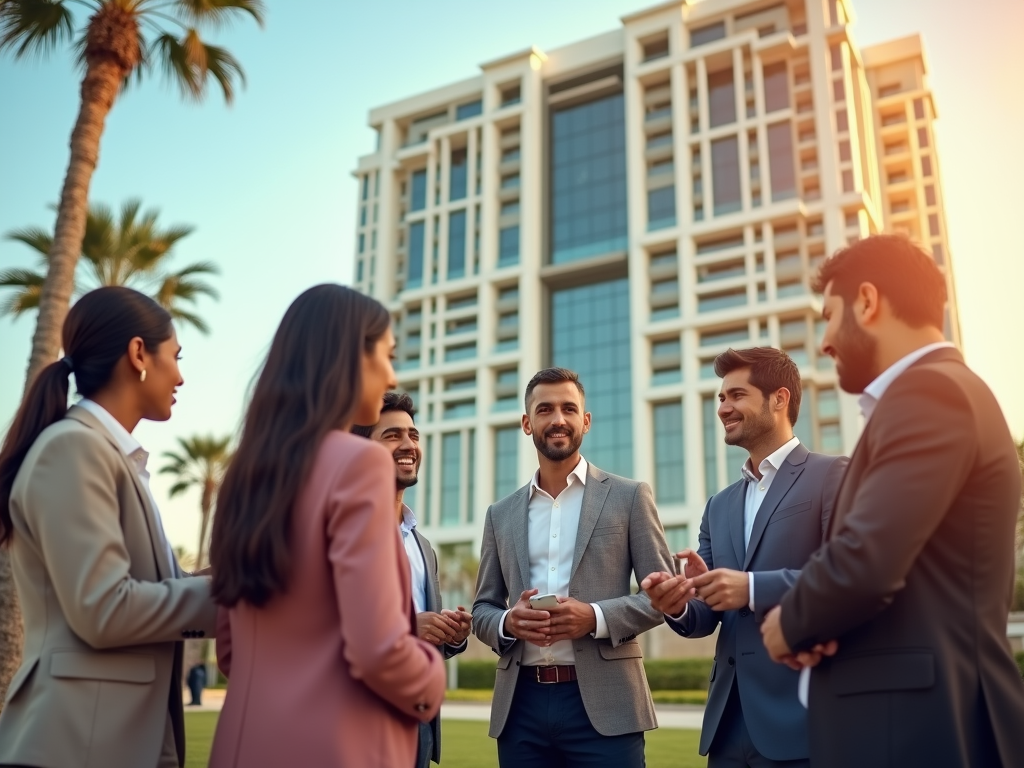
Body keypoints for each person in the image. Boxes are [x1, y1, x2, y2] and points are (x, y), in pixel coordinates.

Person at [760, 235, 1024, 766]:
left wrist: (790, 622)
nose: (824, 341)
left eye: (829, 316)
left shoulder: (931, 392)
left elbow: (867, 556)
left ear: (866, 301)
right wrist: (824, 623)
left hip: (918, 728)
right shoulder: (933, 393)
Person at [207, 284, 446, 768]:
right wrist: (430, 682)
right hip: (338, 747)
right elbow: (380, 650)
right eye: (388, 355)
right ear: (348, 358)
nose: (391, 374)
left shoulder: (243, 476)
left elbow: (230, 652)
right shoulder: (359, 466)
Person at [0, 286, 217, 768]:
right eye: (176, 357)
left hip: (115, 740)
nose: (181, 376)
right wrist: (237, 597)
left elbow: (156, 591)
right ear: (139, 353)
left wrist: (220, 578)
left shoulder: (111, 457)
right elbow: (104, 607)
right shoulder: (73, 449)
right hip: (75, 743)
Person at [642, 347, 847, 768]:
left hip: (802, 720)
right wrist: (679, 602)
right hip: (727, 727)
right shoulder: (719, 505)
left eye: (736, 395)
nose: (723, 408)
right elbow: (704, 617)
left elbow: (846, 576)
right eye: (720, 398)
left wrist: (751, 587)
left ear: (779, 399)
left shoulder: (833, 475)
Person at [472, 367, 673, 768]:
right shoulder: (500, 514)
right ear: (528, 423)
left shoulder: (629, 497)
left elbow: (663, 597)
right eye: (545, 409)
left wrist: (594, 617)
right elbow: (482, 609)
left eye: (569, 408)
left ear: (586, 421)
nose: (558, 419)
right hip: (521, 709)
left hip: (607, 706)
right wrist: (509, 622)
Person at [352, 391, 472, 768]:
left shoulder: (424, 547)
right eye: (392, 435)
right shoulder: (336, 532)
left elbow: (424, 636)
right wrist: (405, 628)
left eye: (414, 435)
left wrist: (450, 634)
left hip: (417, 721)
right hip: (355, 717)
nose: (409, 445)